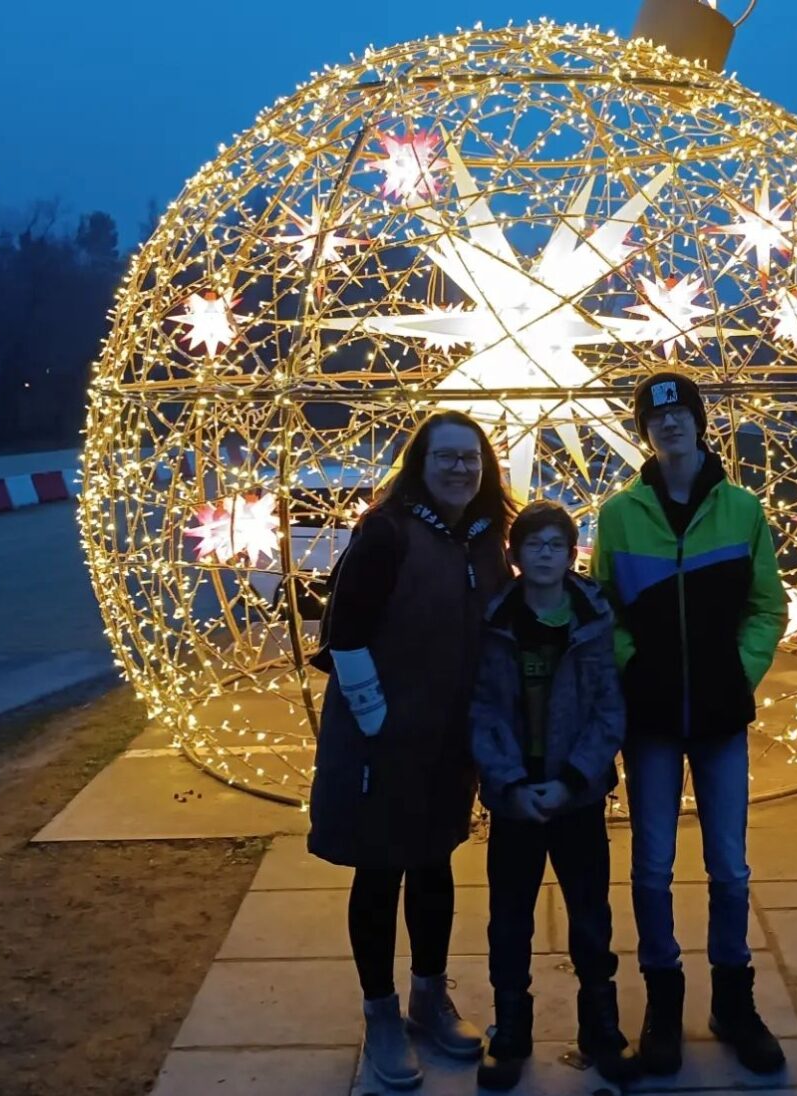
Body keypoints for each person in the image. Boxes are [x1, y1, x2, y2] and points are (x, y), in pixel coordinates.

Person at [307, 410, 514, 1091]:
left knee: (433, 862)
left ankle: (429, 995)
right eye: (447, 457)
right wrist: (377, 720)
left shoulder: (488, 540)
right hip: (380, 739)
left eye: (471, 458)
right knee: (379, 871)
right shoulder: (386, 533)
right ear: (420, 465)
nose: (460, 468)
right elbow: (344, 634)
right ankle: (382, 1015)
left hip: (447, 740)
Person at [591, 372, 788, 1076]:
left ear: (700, 423)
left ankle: (733, 1000)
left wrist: (741, 671)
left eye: (680, 414)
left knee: (730, 868)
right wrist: (632, 665)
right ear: (644, 430)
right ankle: (663, 1001)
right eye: (655, 416)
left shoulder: (742, 511)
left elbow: (767, 607)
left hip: (718, 716)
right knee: (650, 868)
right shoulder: (620, 516)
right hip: (650, 720)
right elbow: (604, 607)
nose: (669, 425)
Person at [471, 500, 640, 1091]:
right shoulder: (496, 622)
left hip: (577, 797)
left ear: (573, 555)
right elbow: (484, 710)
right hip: (516, 801)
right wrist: (512, 783)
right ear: (515, 556)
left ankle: (602, 1028)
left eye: (556, 546)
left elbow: (607, 709)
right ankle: (511, 1028)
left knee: (591, 914)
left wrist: (573, 778)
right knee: (509, 917)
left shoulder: (592, 617)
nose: (545, 556)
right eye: (534, 545)